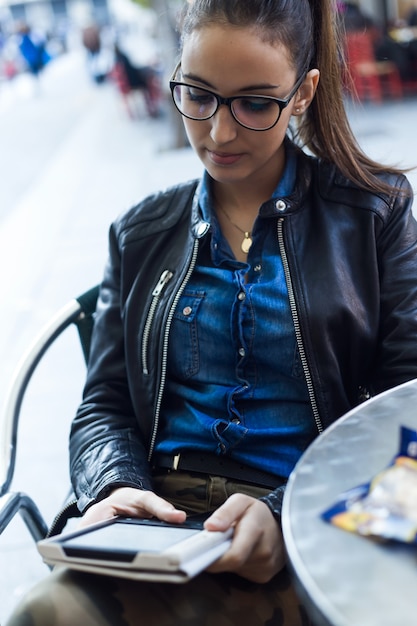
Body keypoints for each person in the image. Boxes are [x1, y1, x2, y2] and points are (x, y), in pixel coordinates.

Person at [6, 0, 417, 624]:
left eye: (255, 104)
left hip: (315, 524)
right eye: (197, 95)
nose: (219, 134)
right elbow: (105, 403)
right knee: (43, 611)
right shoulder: (140, 232)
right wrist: (115, 486)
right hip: (161, 523)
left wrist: (284, 513)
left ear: (303, 93)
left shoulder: (372, 216)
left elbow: (405, 408)